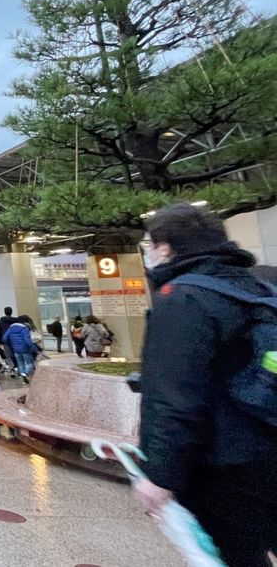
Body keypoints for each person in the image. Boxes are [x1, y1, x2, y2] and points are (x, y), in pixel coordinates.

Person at [133, 202, 277, 564]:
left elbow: (173, 396)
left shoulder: (182, 298)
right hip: (268, 445)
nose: (149, 253)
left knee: (237, 553)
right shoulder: (260, 287)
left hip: (222, 464)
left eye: (149, 245)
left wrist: (160, 475)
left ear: (164, 246)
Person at [3, 315, 37, 382]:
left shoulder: (11, 328)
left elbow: (4, 338)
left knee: (20, 363)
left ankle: (23, 379)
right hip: (25, 349)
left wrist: (12, 344)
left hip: (16, 350)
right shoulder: (24, 329)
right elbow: (27, 341)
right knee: (30, 363)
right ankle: (25, 374)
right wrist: (34, 348)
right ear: (25, 322)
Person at [0, 306, 18, 373]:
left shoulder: (1, 321)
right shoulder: (16, 320)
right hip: (14, 339)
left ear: (5, 312)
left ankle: (11, 367)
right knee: (15, 353)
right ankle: (16, 367)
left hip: (5, 340)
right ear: (11, 312)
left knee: (7, 354)